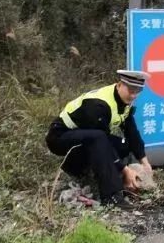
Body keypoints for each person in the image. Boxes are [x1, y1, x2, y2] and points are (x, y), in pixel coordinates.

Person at [46, 70, 153, 208]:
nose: (133, 95)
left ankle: (81, 170)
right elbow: (102, 142)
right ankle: (111, 196)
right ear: (120, 84)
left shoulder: (124, 101)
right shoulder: (98, 104)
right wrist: (125, 170)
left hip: (82, 137)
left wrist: (144, 162)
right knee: (100, 139)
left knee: (123, 145)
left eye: (137, 91)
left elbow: (131, 131)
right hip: (59, 137)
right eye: (131, 90)